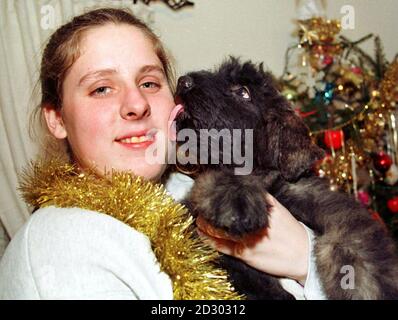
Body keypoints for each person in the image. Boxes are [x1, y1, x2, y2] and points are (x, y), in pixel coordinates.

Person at [0, 7, 325, 299]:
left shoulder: (209, 190)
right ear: (57, 119)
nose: (136, 104)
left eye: (150, 83)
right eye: (102, 88)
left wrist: (305, 257)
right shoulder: (60, 249)